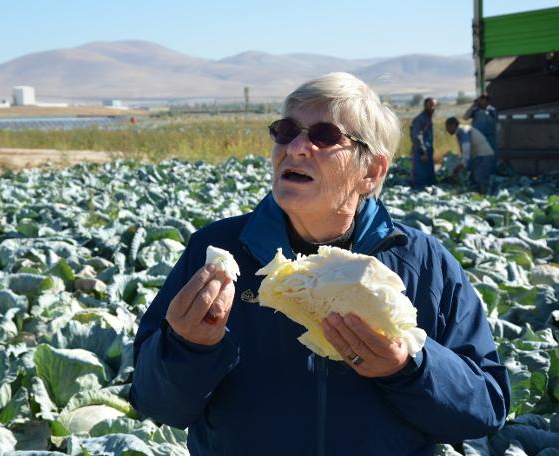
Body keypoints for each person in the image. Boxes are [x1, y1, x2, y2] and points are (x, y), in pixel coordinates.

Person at [130, 73, 510, 456]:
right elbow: (154, 404)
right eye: (286, 130)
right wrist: (186, 349)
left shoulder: (424, 265)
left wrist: (409, 368)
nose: (296, 146)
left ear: (371, 172)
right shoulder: (214, 251)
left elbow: (484, 411)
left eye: (324, 136)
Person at [445, 117, 495, 193]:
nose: (447, 129)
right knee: (474, 180)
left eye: (448, 127)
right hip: (479, 156)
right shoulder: (461, 131)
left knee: (480, 179)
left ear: (453, 125)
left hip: (484, 156)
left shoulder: (463, 131)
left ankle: (486, 197)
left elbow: (466, 150)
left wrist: (460, 166)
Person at [410, 97, 437, 189]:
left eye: (434, 106)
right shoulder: (420, 119)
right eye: (430, 105)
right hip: (420, 151)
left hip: (428, 151)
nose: (432, 107)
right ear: (425, 106)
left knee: (429, 175)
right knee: (420, 175)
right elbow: (416, 135)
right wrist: (422, 151)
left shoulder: (428, 118)